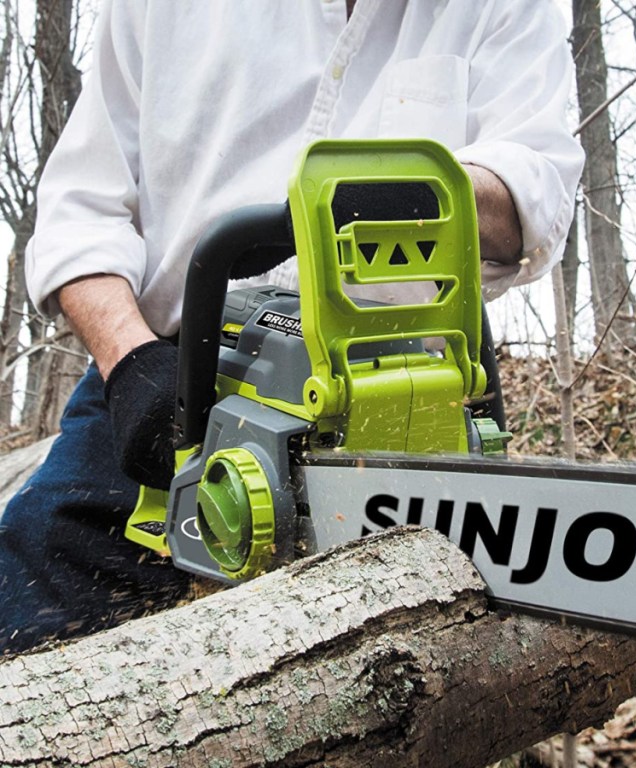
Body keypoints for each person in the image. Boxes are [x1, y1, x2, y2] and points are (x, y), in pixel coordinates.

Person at [0, 0, 584, 654]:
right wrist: (131, 364)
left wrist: (387, 196)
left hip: (385, 390)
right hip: (168, 377)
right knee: (27, 623)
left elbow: (533, 187)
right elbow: (81, 210)